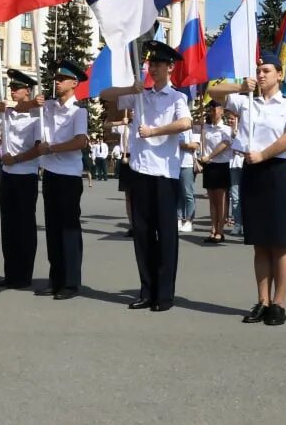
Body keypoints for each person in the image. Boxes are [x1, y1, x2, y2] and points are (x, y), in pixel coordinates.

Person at [210, 53, 286, 327]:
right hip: (252, 172)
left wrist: (263, 154)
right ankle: (262, 300)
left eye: (267, 70)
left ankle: (279, 303)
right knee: (260, 243)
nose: (261, 75)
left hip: (275, 171)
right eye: (259, 71)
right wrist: (240, 87)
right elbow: (212, 91)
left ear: (279, 74)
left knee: (280, 242)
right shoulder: (246, 101)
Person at [100, 41, 191, 313]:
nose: (153, 68)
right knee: (142, 234)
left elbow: (185, 123)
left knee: (165, 235)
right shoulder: (142, 95)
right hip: (140, 171)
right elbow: (105, 94)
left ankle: (164, 295)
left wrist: (155, 131)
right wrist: (131, 88)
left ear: (170, 68)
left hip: (164, 173)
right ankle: (146, 290)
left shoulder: (177, 98)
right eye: (151, 64)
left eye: (158, 64)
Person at [24, 59, 90, 299]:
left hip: (69, 177)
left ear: (74, 83)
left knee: (69, 230)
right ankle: (56, 278)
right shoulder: (48, 106)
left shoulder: (78, 111)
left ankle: (71, 283)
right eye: (56, 79)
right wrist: (34, 101)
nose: (57, 82)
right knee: (52, 229)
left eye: (61, 79)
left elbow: (81, 141)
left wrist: (51, 148)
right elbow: (22, 110)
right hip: (50, 174)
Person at [0, 69, 40, 289]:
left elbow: (39, 148)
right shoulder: (7, 112)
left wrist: (17, 159)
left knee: (24, 227)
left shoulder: (36, 116)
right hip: (8, 176)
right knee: (9, 227)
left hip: (26, 176)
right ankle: (10, 273)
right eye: (11, 87)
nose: (12, 91)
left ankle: (24, 275)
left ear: (28, 91)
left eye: (17, 88)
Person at [197, 102, 233, 243]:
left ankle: (220, 230)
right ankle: (213, 228)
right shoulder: (206, 128)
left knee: (221, 200)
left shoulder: (226, 129)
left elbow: (225, 144)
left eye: (215, 109)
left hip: (221, 165)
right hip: (209, 166)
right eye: (210, 110)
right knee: (212, 200)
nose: (212, 112)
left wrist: (210, 156)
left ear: (222, 111)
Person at [178, 116, 200, 234]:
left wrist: (181, 145)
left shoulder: (193, 129)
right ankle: (179, 218)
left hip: (187, 164)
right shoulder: (175, 129)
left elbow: (195, 145)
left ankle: (189, 220)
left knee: (187, 193)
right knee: (178, 194)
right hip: (175, 164)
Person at [227, 111, 244, 236]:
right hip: (233, 165)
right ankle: (237, 223)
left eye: (232, 119)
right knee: (235, 196)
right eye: (229, 119)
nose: (230, 121)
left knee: (246, 196)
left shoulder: (245, 130)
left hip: (245, 165)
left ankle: (247, 223)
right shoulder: (226, 131)